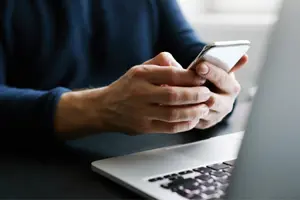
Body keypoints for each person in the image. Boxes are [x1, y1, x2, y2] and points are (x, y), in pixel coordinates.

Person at [0, 0, 247, 145]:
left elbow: (188, 50)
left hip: (142, 156)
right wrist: (98, 108)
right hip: (35, 163)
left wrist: (218, 92)